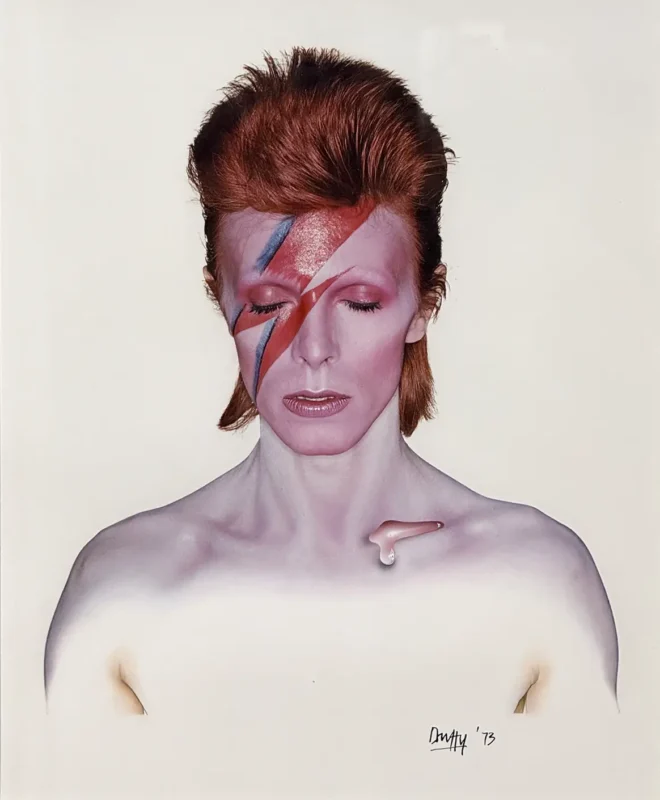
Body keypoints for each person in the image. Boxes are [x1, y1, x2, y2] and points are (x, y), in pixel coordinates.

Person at [44, 47, 618, 724]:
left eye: (360, 302)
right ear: (218, 298)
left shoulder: (541, 584)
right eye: (268, 304)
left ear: (425, 302)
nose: (313, 350)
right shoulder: (122, 592)